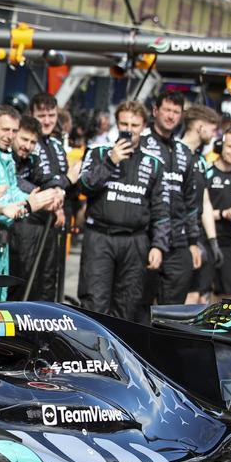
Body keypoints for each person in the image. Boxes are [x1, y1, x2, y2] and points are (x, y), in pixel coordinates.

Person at [76, 101, 169, 321]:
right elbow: (84, 186)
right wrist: (111, 161)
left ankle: (120, 355)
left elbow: (161, 208)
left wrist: (159, 245)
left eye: (134, 125)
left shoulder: (154, 163)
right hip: (99, 237)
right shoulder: (99, 153)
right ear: (116, 124)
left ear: (144, 126)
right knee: (93, 303)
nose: (129, 129)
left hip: (135, 241)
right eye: (124, 123)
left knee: (128, 304)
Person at [0, 105, 60, 301]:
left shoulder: (5, 156)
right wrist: (29, 204)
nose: (10, 135)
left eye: (14, 130)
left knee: (0, 301)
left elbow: (12, 191)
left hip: (2, 240)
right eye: (5, 130)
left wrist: (37, 199)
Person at [139, 93, 200, 306]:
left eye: (176, 112)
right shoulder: (142, 145)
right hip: (147, 238)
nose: (171, 116)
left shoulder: (184, 152)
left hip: (179, 242)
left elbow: (191, 201)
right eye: (166, 110)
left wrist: (193, 242)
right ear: (155, 111)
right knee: (140, 305)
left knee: (173, 309)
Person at [198, 130, 231, 302]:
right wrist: (224, 214)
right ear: (221, 145)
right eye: (230, 147)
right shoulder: (206, 172)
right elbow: (198, 212)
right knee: (200, 295)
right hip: (204, 239)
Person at [26, 92, 71, 301]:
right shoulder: (26, 142)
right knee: (28, 284)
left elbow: (64, 180)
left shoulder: (56, 145)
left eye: (51, 115)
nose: (47, 121)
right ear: (32, 115)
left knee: (49, 286)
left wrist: (60, 193)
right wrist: (50, 195)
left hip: (52, 227)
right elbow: (17, 178)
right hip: (29, 224)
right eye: (41, 115)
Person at [178, 105, 221, 304]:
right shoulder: (175, 153)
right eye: (212, 129)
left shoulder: (201, 161)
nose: (214, 134)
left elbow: (205, 201)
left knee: (196, 295)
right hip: (178, 236)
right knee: (175, 296)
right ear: (200, 127)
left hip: (198, 235)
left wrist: (212, 241)